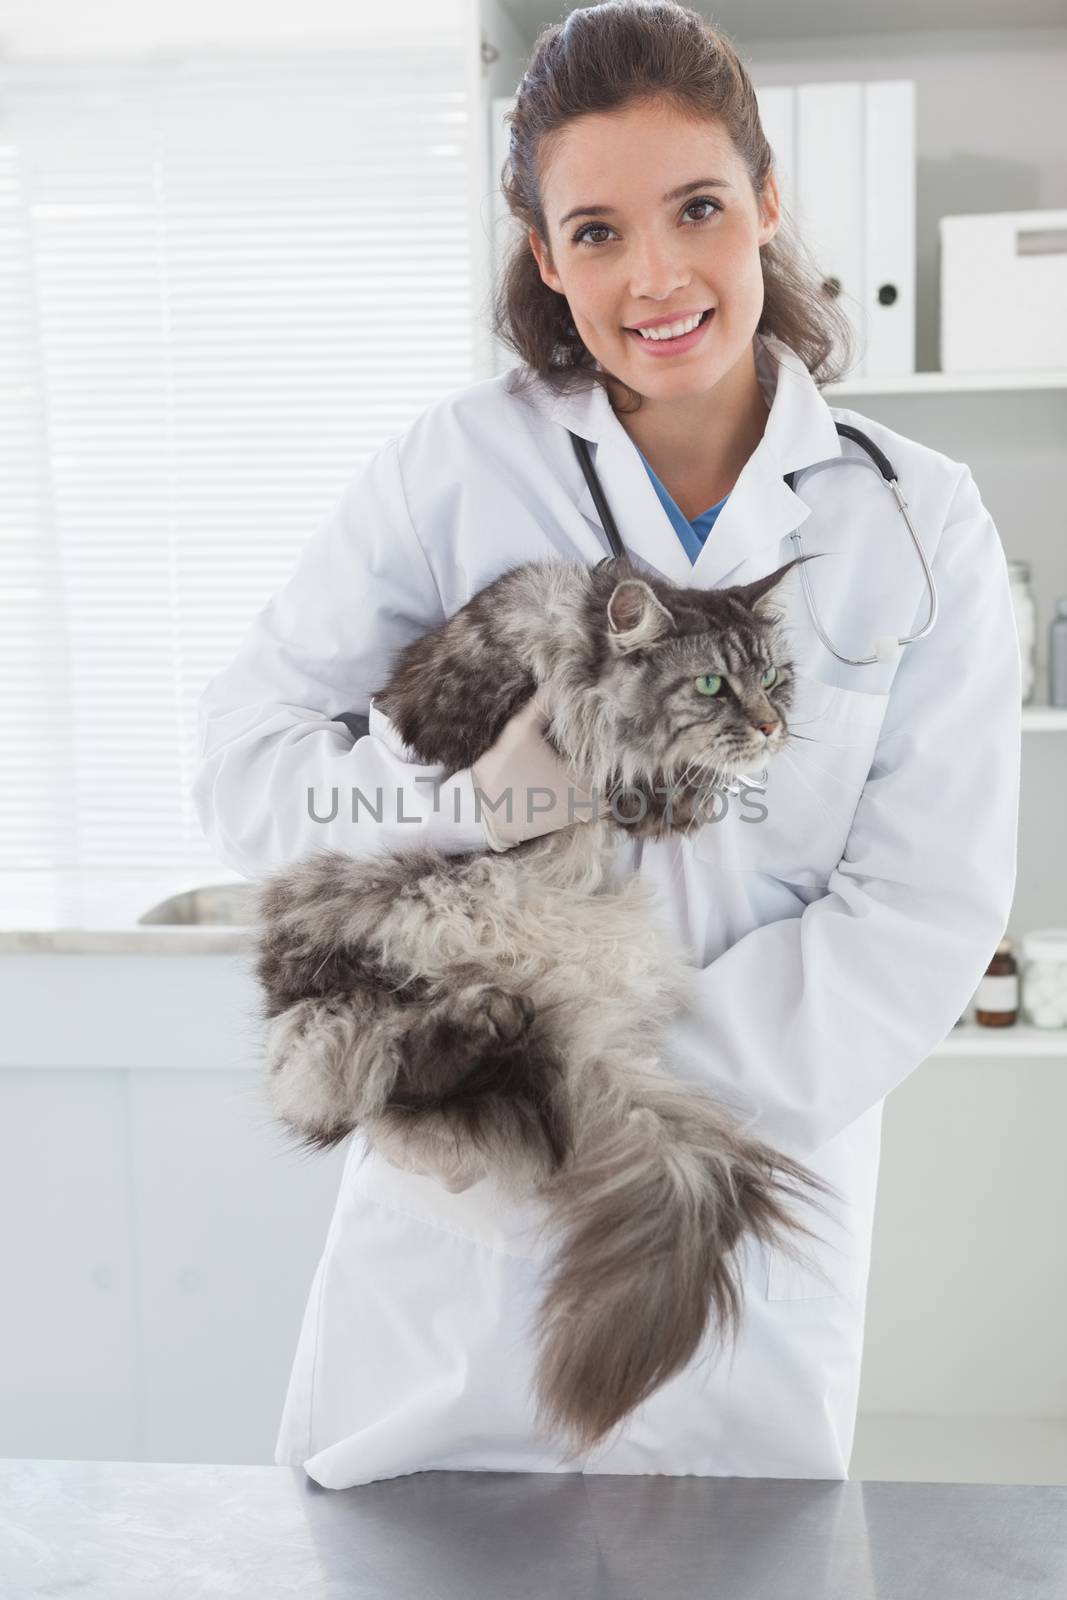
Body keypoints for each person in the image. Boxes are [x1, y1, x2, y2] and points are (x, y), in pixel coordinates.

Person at [193, 1, 1020, 1488]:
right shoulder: (454, 469)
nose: (655, 277)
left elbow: (922, 912)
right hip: (449, 1248)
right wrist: (454, 795)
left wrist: (601, 1090)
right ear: (543, 255)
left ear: (767, 202)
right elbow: (248, 764)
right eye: (594, 232)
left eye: (697, 207)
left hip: (728, 1245)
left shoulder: (914, 520)